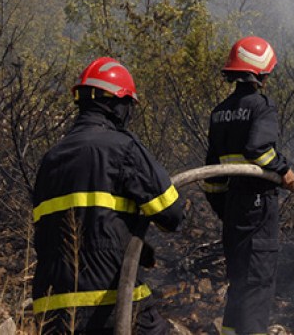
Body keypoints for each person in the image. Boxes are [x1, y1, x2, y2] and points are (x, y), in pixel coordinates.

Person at [32, 57, 185, 334]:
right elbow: (172, 214)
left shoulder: (50, 159)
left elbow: (74, 224)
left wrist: (133, 244)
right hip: (109, 300)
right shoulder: (121, 147)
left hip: (51, 308)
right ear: (117, 104)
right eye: (129, 105)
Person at [202, 36, 294, 335]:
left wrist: (227, 210)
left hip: (233, 212)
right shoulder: (261, 106)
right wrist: (283, 168)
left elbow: (212, 175)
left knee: (240, 285)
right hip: (257, 208)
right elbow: (260, 149)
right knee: (258, 286)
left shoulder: (219, 112)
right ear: (261, 72)